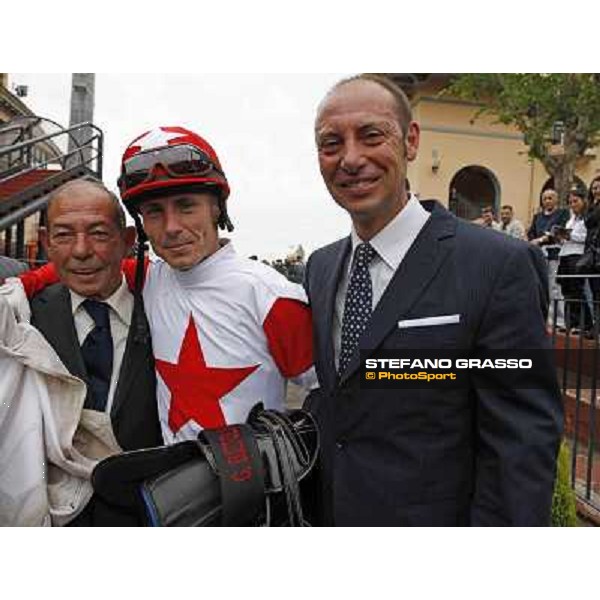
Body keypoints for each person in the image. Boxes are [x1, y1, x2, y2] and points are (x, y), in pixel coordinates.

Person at [304, 73, 563, 526]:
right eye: (331, 144)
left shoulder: (497, 265)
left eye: (370, 136)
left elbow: (521, 444)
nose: (350, 158)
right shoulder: (321, 269)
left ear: (411, 141)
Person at [15, 128, 316, 446]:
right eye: (155, 212)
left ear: (217, 207)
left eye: (186, 206)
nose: (171, 228)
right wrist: (17, 287)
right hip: (170, 487)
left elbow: (355, 377)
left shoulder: (270, 295)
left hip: (255, 490)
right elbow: (74, 267)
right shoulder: (149, 278)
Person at [1, 179, 163, 526]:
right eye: (63, 235)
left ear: (128, 241)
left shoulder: (167, 314)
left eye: (99, 234)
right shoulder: (19, 321)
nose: (80, 250)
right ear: (46, 242)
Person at [556, 186, 592, 333]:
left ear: (583, 201)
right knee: (566, 290)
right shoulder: (571, 219)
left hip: (577, 255)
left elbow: (588, 238)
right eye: (570, 202)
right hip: (565, 254)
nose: (573, 204)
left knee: (577, 290)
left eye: (575, 201)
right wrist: (560, 236)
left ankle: (584, 324)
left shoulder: (588, 217)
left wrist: (571, 236)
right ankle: (570, 322)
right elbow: (567, 236)